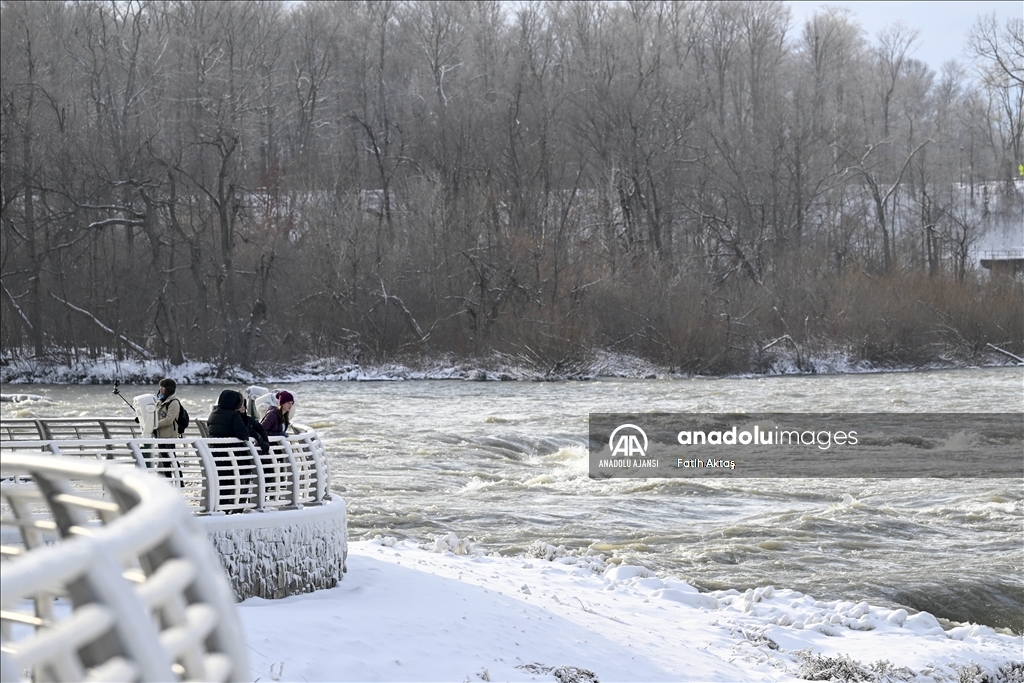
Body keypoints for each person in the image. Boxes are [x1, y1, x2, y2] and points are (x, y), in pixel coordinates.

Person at [207, 389, 255, 511]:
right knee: (236, 484)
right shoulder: (234, 415)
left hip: (215, 455)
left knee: (222, 486)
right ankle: (235, 509)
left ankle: (219, 509)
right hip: (232, 457)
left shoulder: (213, 414)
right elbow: (243, 434)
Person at [151, 378, 182, 482]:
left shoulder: (174, 402)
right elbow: (155, 415)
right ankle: (168, 481)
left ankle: (179, 481)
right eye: (160, 387)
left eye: (162, 387)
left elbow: (169, 420)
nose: (160, 389)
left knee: (172, 458)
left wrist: (154, 425)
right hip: (160, 435)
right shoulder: (161, 401)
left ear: (168, 389)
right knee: (165, 460)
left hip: (169, 436)